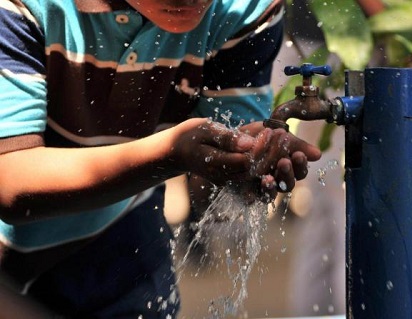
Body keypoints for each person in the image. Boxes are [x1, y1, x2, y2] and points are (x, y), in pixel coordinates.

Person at [0, 0, 322, 318]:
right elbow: (9, 180)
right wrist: (169, 155)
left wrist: (246, 161)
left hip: (123, 235)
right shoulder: (25, 7)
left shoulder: (242, 8)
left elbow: (212, 186)